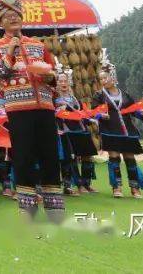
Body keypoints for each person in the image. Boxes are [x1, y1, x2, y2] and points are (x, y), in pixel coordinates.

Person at [0, 0, 65, 221]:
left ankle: (54, 209)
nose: (14, 19)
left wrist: (49, 76)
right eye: (8, 17)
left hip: (45, 107)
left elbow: (53, 75)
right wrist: (10, 52)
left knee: (50, 155)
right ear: (1, 22)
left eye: (17, 16)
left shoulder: (39, 45)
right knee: (23, 156)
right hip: (18, 109)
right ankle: (28, 209)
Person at [92, 62, 143, 199]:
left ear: (113, 77)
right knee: (114, 158)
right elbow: (94, 112)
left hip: (127, 131)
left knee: (130, 158)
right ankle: (117, 187)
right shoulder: (99, 96)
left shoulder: (125, 95)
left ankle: (135, 188)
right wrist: (101, 115)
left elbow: (134, 111)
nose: (103, 81)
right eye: (101, 79)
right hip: (110, 130)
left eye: (105, 78)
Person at [54, 66, 98, 195]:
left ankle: (86, 183)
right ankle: (73, 185)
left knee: (87, 156)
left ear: (69, 82)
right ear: (56, 83)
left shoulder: (74, 99)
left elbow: (80, 114)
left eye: (65, 81)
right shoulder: (55, 99)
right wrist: (58, 111)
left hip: (80, 129)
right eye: (60, 81)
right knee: (70, 158)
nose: (63, 83)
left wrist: (90, 120)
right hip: (66, 131)